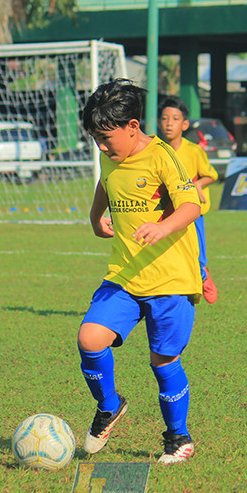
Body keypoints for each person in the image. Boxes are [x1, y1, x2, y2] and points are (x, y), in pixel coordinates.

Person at [77, 79, 202, 465]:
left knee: (163, 363)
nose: (101, 147)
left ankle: (178, 438)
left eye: (106, 137)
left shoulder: (163, 157)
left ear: (132, 127)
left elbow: (192, 205)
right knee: (90, 339)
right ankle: (109, 406)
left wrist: (164, 228)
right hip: (125, 273)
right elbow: (106, 182)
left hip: (170, 279)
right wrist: (95, 216)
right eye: (95, 138)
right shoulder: (109, 155)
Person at [158, 95, 219, 304]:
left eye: (175, 119)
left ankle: (203, 276)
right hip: (167, 212)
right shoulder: (156, 151)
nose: (169, 123)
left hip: (193, 212)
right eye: (164, 118)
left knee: (197, 255)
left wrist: (198, 185)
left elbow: (211, 175)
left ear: (184, 125)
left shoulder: (194, 151)